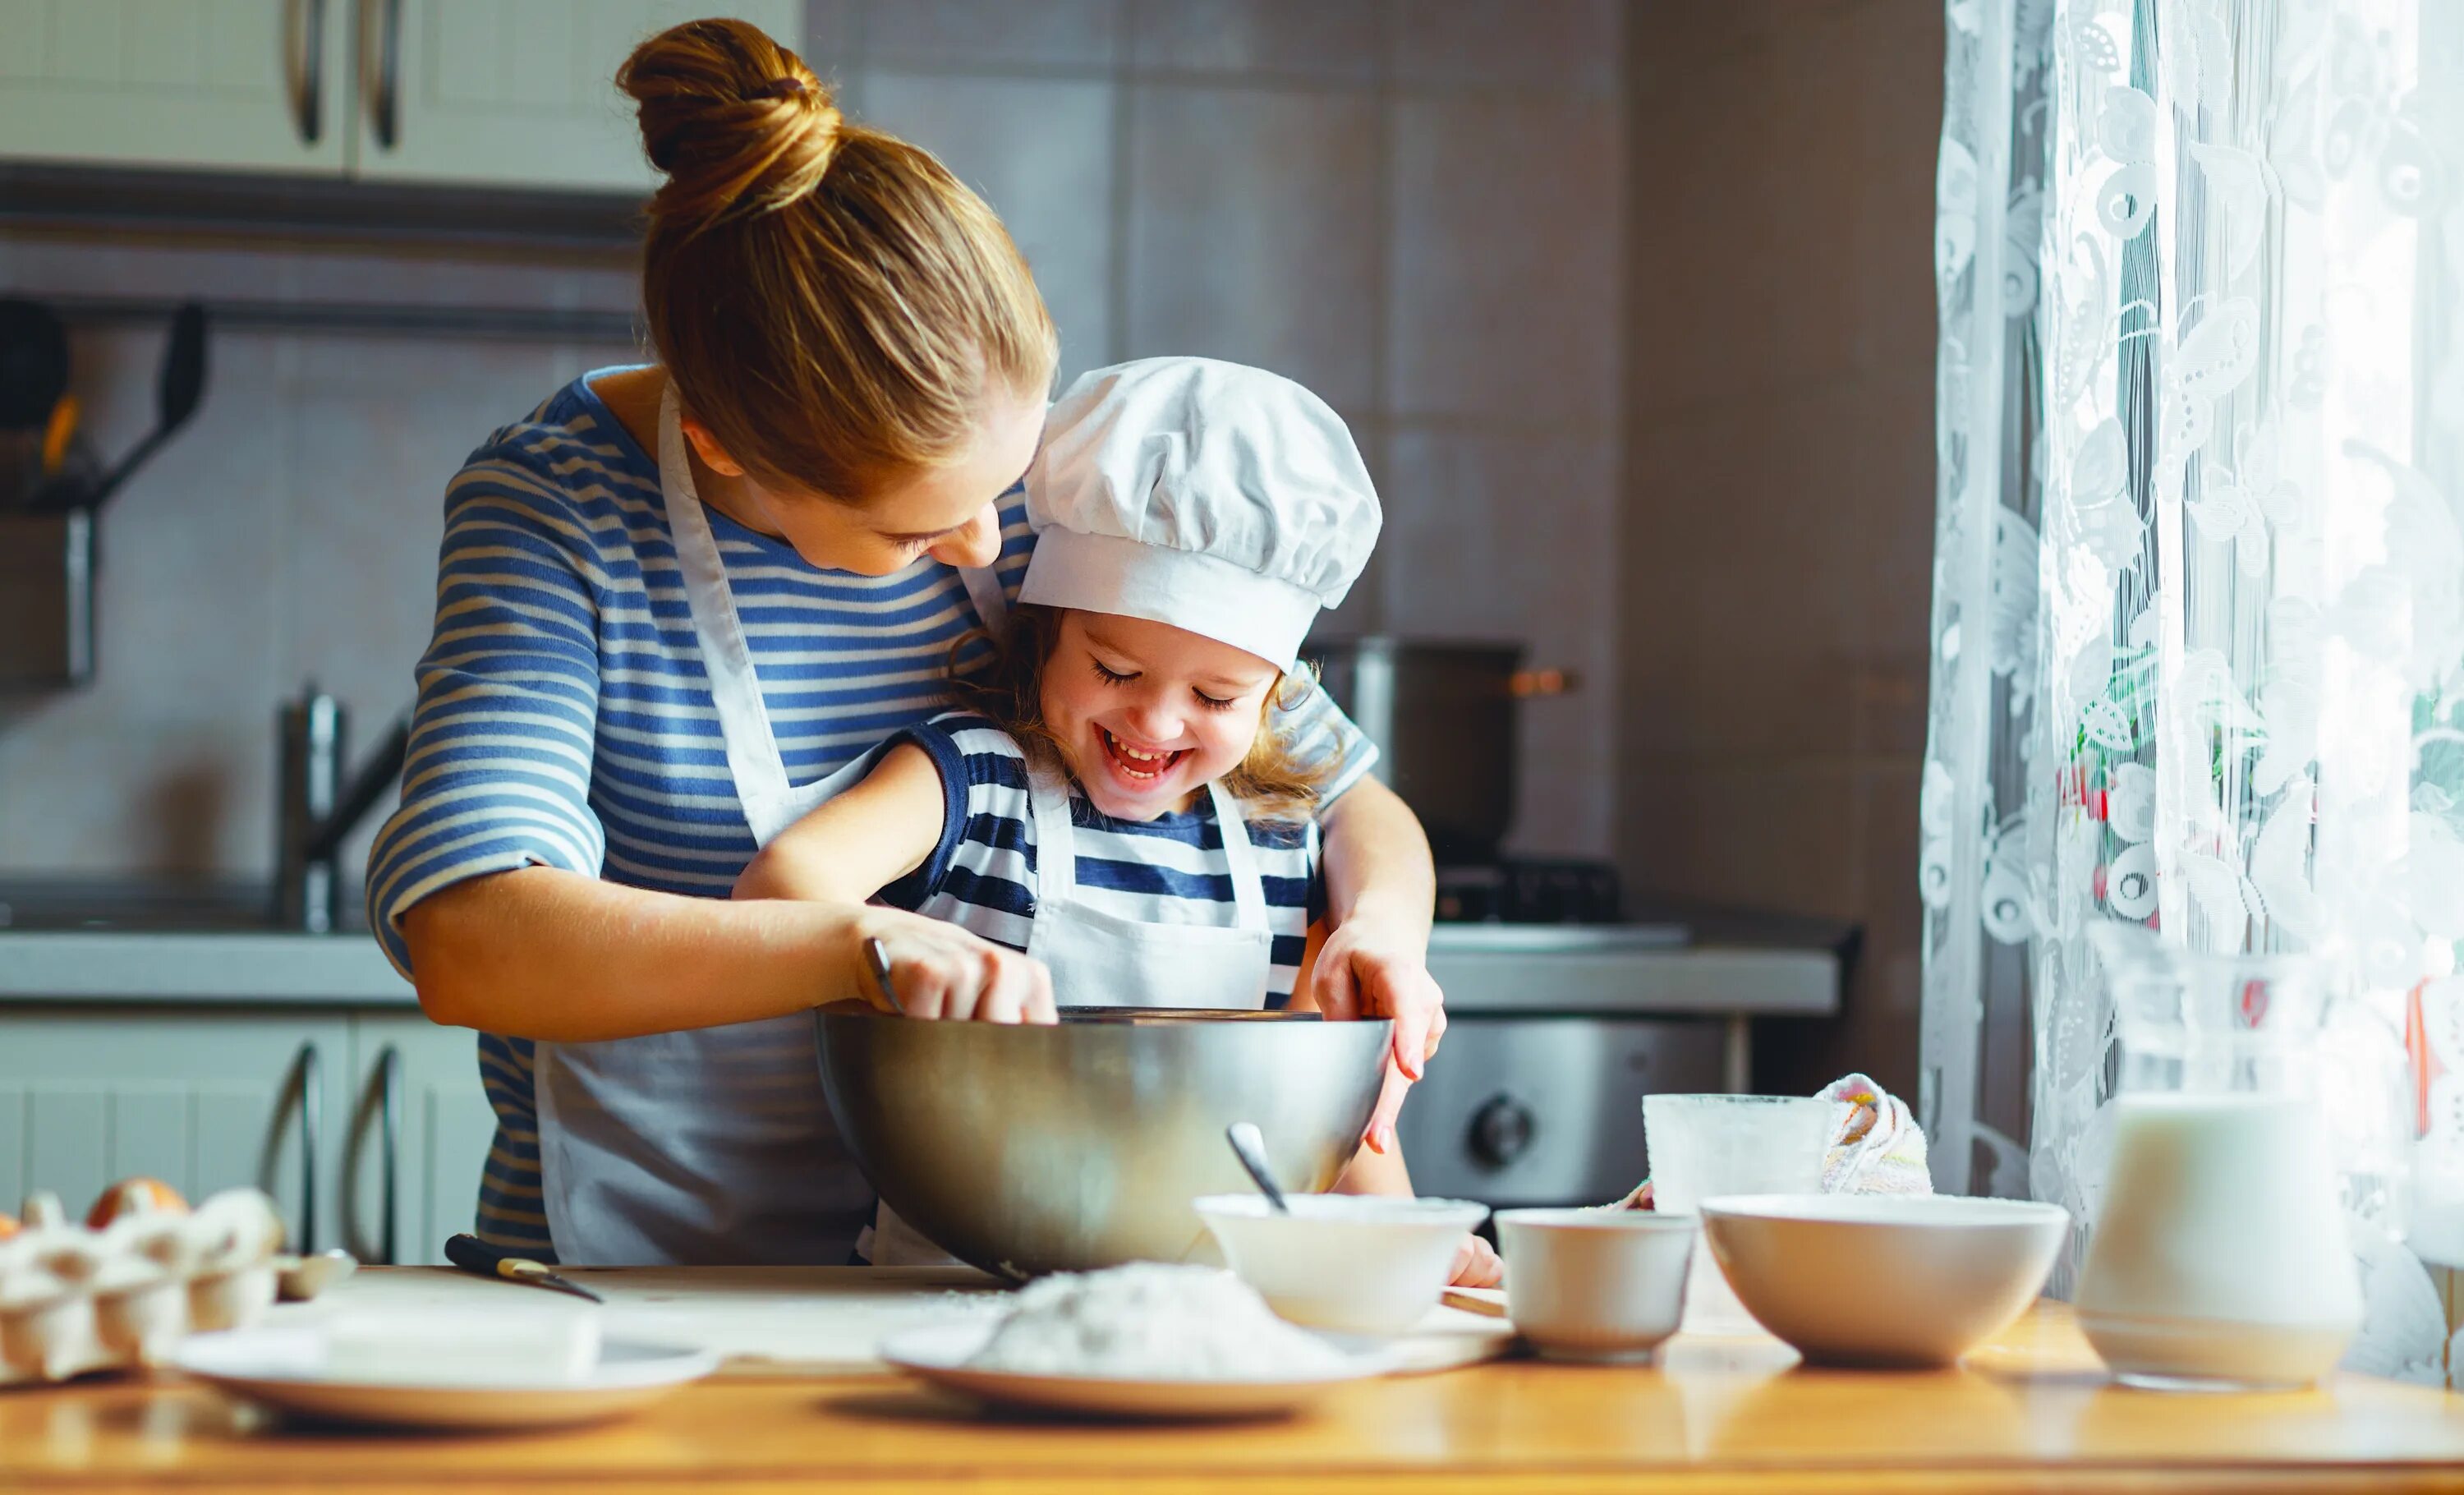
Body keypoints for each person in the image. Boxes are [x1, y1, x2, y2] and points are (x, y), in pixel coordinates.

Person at [364, 17, 1447, 1267]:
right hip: (651, 1279)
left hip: (978, 1280)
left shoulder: (1065, 495)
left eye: (1005, 488)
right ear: (725, 446)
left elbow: (1337, 790)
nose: (992, 546)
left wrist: (1381, 931)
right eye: (917, 530)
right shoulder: (560, 514)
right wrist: (851, 944)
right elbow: (473, 937)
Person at [738, 357, 1502, 1286]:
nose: (1156, 721)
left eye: (1217, 694)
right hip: (949, 1287)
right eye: (1113, 670)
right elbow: (782, 885)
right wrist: (891, 951)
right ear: (1047, 632)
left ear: (1278, 700)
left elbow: (1333, 1121)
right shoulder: (975, 779)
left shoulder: (1276, 835)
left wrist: (1404, 1244)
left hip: (1213, 1312)